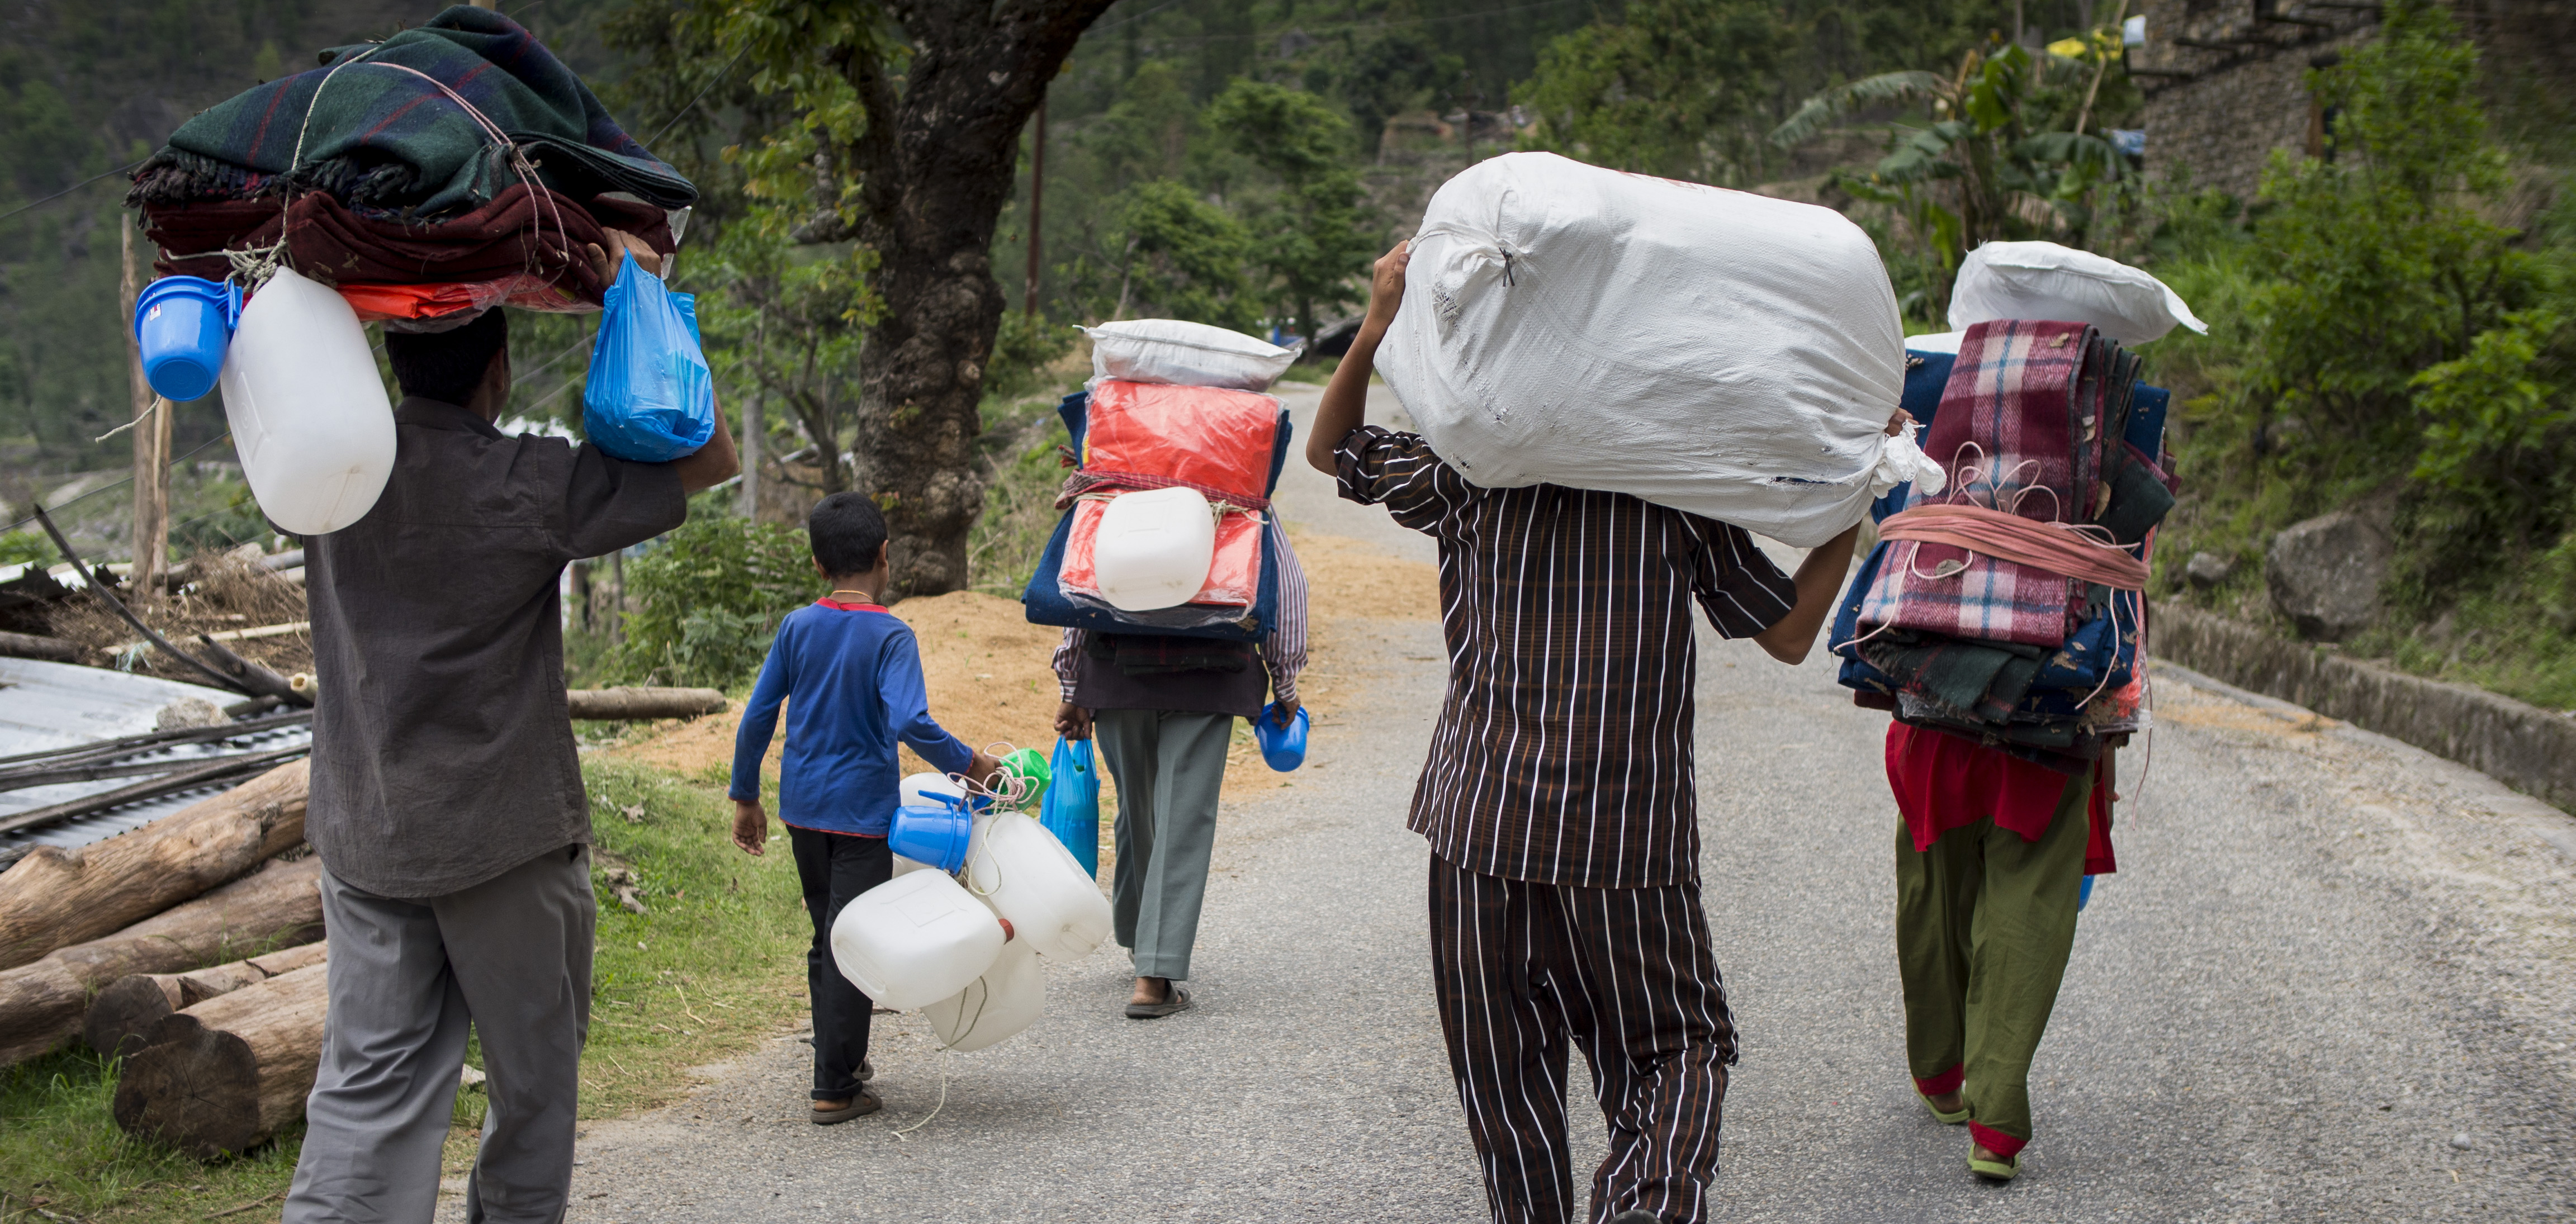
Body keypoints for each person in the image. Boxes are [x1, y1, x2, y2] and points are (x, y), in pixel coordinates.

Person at [1310, 241, 1892, 1224]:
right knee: (1677, 1045)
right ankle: (1646, 1206)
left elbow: (1334, 453)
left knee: (1505, 1084)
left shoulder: (1470, 477)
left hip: (1476, 825)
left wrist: (1375, 324)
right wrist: (1856, 502)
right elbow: (1789, 634)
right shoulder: (1673, 495)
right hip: (1626, 838)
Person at [287, 231, 738, 1224]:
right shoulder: (527, 481)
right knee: (534, 1083)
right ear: (496, 369)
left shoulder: (324, 475)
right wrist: (640, 294)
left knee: (368, 1089)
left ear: (393, 361)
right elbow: (710, 458)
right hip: (504, 836)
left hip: (369, 830)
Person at [726, 493, 1000, 1122]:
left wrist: (746, 795)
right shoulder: (892, 634)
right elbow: (909, 719)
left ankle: (839, 1055)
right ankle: (834, 1086)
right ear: (884, 556)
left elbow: (759, 716)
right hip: (861, 816)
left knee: (828, 934)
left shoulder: (797, 626)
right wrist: (972, 766)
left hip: (802, 808)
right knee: (852, 940)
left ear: (818, 565)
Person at [1049, 517, 1308, 1019]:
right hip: (1209, 675)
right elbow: (1286, 593)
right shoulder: (1239, 497)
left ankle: (1138, 936)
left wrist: (1072, 685)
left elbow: (1079, 587)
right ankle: (1154, 973)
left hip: (1117, 669)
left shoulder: (1118, 495)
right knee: (1183, 820)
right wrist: (1286, 684)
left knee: (1138, 810)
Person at [1886, 724, 2116, 1181]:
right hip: (2050, 746)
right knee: (2024, 926)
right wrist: (2106, 783)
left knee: (1936, 903)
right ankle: (1996, 1128)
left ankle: (1940, 1073)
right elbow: (2117, 688)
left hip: (1939, 736)